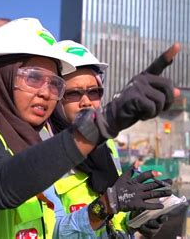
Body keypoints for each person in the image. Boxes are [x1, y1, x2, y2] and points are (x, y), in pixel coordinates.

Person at [0, 18, 175, 239]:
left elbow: (57, 230)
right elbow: (1, 185)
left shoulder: (32, 147)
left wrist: (132, 220)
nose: (46, 93)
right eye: (33, 77)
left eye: (54, 84)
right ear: (1, 79)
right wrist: (101, 124)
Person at [46, 40, 182, 238]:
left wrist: (137, 220)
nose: (86, 101)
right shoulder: (42, 148)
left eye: (94, 92)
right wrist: (106, 205)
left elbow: (115, 218)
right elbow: (53, 233)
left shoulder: (106, 145)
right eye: (73, 94)